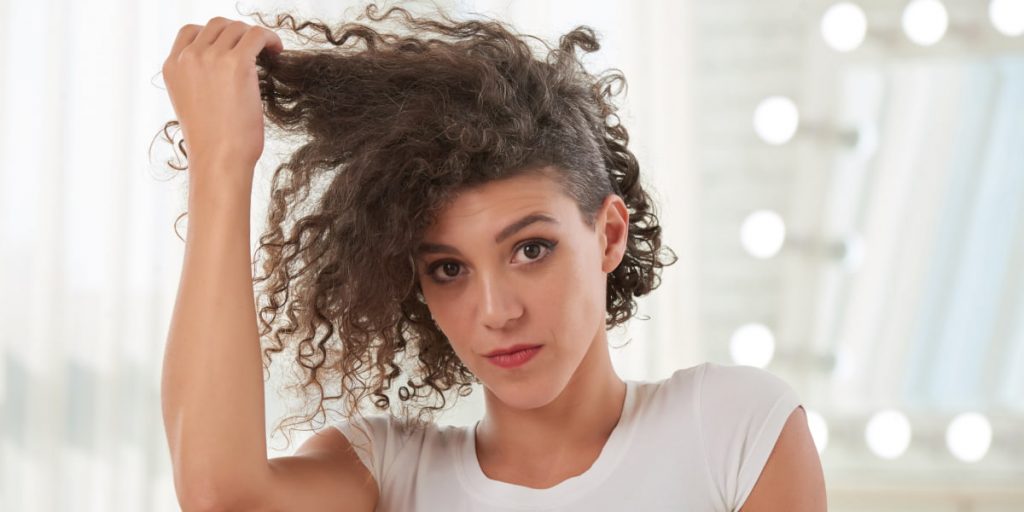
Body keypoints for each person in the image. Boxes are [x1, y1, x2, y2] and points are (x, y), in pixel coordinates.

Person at [158, 3, 827, 511]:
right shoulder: (390, 473)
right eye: (448, 268)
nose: (495, 311)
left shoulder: (732, 427)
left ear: (609, 235)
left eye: (531, 249)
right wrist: (220, 163)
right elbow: (221, 495)